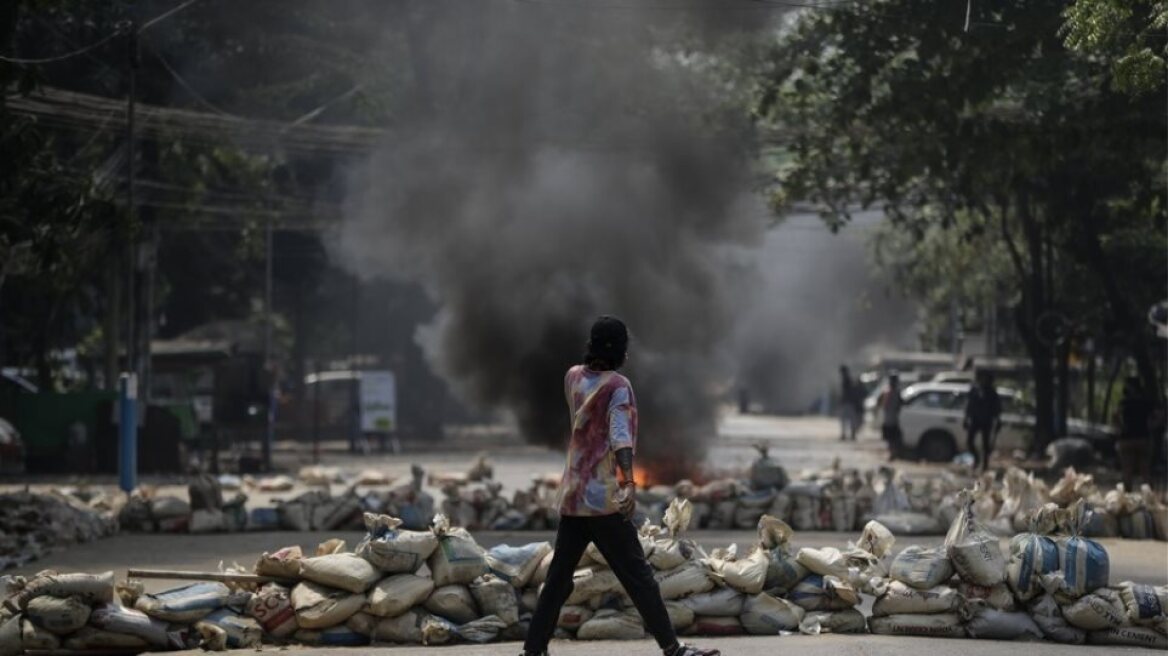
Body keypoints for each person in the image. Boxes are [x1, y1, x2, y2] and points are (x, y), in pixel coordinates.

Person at [522, 316, 719, 656]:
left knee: (558, 579)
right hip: (602, 500)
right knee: (638, 576)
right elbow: (620, 437)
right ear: (622, 351)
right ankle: (672, 648)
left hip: (573, 496)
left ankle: (533, 649)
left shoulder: (572, 377)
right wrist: (628, 481)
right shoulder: (618, 387)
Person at [1114, 376, 1153, 489]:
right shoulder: (1146, 401)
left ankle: (1127, 497)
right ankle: (1149, 496)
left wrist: (1119, 427)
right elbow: (1158, 415)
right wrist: (1151, 427)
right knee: (1145, 470)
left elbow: (1115, 415)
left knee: (1127, 469)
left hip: (1127, 439)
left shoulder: (1124, 402)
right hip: (1143, 438)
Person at [963, 370, 1002, 471]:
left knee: (986, 444)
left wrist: (998, 420)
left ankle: (985, 464)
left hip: (987, 420)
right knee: (969, 442)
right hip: (975, 419)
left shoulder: (992, 392)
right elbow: (969, 405)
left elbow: (997, 408)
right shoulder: (974, 390)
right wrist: (966, 418)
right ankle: (976, 459)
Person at [878, 372, 903, 461]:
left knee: (891, 438)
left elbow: (882, 403)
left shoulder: (889, 392)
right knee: (891, 438)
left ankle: (893, 453)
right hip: (891, 419)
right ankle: (893, 453)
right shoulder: (892, 392)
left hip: (890, 419)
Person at [839, 365, 861, 441]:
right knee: (848, 420)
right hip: (848, 403)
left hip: (848, 403)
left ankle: (850, 435)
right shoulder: (847, 379)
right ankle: (849, 434)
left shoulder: (847, 380)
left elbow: (848, 392)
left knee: (847, 420)